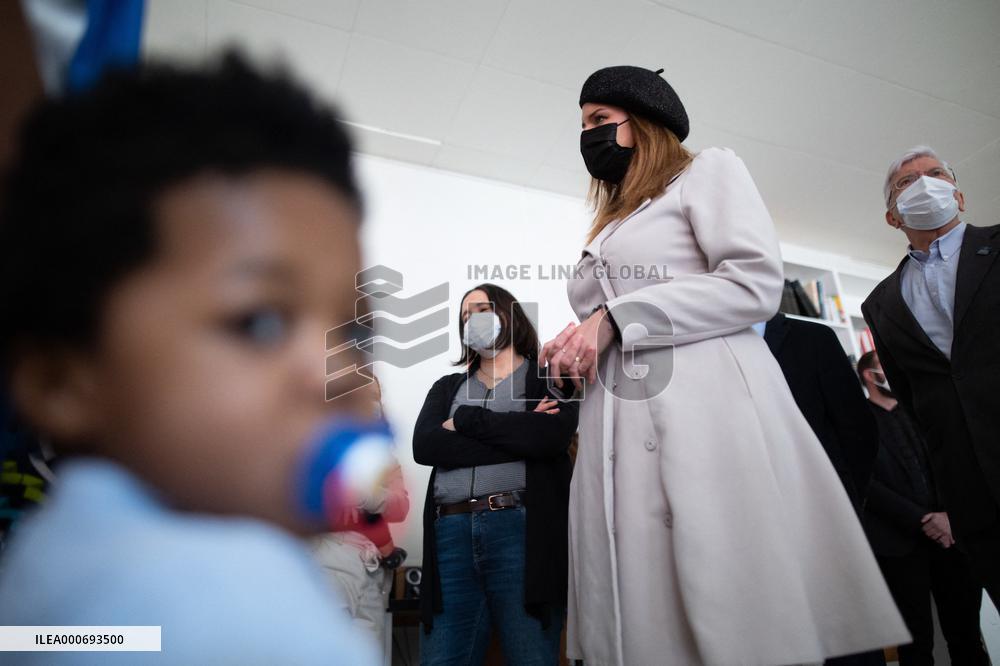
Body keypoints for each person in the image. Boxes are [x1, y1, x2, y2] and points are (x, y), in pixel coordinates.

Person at [0, 56, 381, 664]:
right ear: (62, 380)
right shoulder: (246, 607)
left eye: (358, 333)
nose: (342, 375)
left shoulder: (44, 579)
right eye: (260, 322)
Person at [542, 65, 909, 665]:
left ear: (643, 121)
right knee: (647, 612)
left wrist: (615, 318)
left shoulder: (706, 171)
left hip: (703, 406)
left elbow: (753, 283)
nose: (588, 136)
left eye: (598, 121)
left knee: (725, 598)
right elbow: (607, 313)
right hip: (618, 425)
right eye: (583, 125)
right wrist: (579, 339)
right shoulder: (609, 226)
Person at [861, 145, 1000, 607]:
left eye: (935, 173)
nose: (923, 183)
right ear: (892, 217)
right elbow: (913, 396)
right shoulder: (880, 303)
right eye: (906, 182)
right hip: (973, 497)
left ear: (958, 196)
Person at [413, 283, 578, 666]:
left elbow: (549, 438)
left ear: (509, 315)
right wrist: (518, 432)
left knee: (530, 656)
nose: (473, 319)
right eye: (466, 315)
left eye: (482, 309)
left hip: (519, 535)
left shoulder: (547, 379)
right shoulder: (447, 387)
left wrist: (466, 420)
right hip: (449, 536)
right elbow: (426, 447)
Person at [858, 351, 989, 666]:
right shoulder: (859, 420)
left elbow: (951, 462)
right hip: (900, 546)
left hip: (951, 537)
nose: (891, 372)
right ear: (868, 376)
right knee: (915, 643)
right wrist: (921, 519)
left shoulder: (920, 410)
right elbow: (867, 481)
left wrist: (947, 515)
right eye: (883, 369)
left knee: (966, 632)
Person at [312, 374, 409, 649]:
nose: (369, 404)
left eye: (374, 396)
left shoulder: (385, 454)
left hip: (375, 570)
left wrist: (363, 495)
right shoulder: (319, 443)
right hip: (331, 559)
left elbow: (400, 507)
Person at [756, 313, 880, 516]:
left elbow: (858, 429)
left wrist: (846, 497)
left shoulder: (814, 338)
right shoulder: (708, 347)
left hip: (825, 502)